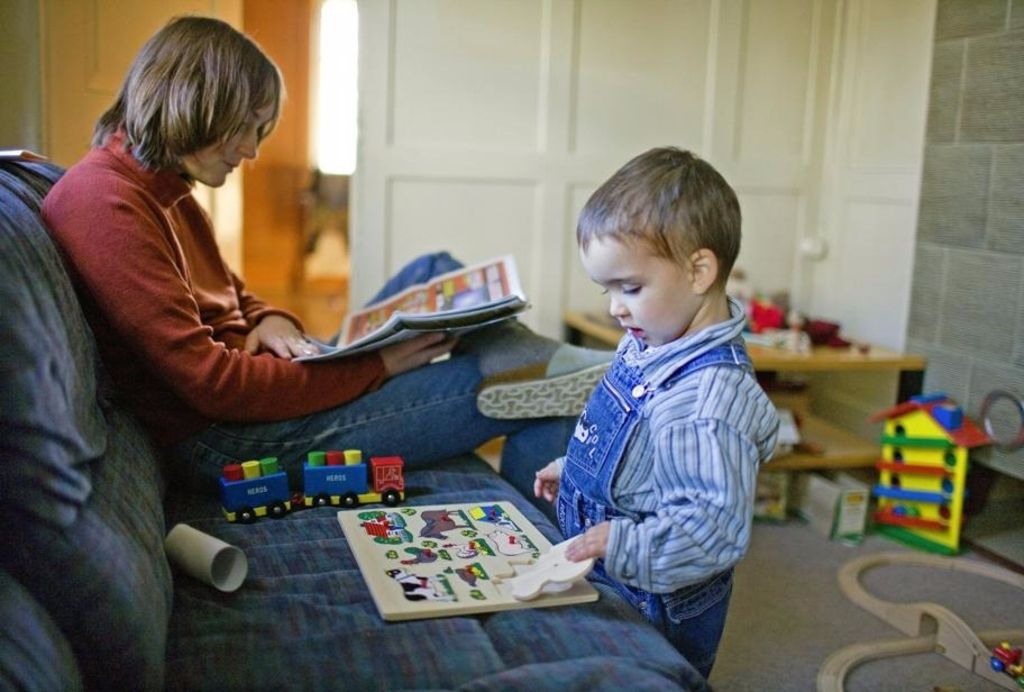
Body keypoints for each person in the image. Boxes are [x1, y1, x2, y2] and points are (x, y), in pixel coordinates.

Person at [41, 15, 610, 491]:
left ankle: (537, 362)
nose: (252, 150)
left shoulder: (167, 190)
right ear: (194, 101)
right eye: (246, 128)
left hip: (263, 396)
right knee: (529, 393)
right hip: (228, 440)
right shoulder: (103, 201)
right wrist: (376, 364)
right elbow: (211, 383)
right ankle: (545, 396)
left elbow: (233, 293)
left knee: (435, 268)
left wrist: (270, 318)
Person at [532, 147, 780, 678]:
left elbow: (712, 529)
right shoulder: (651, 340)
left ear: (698, 271)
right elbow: (635, 448)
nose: (615, 307)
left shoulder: (710, 400)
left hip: (654, 596)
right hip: (609, 563)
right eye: (609, 290)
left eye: (631, 288)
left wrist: (619, 542)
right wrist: (577, 472)